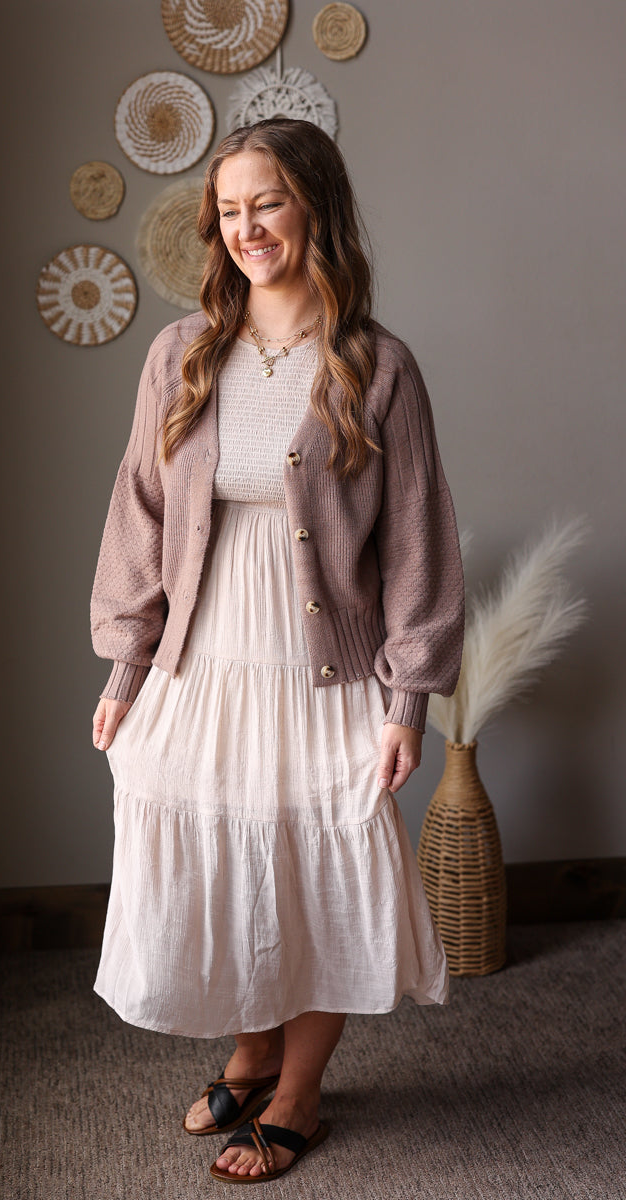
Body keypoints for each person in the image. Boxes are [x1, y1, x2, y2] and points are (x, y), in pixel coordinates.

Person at [89, 118, 464, 1184]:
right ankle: (250, 1050)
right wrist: (127, 671)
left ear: (315, 210)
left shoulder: (375, 365)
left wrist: (405, 705)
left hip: (324, 668)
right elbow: (140, 516)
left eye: (270, 203)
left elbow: (416, 539)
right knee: (224, 852)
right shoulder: (182, 352)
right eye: (231, 208)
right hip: (203, 661)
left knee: (307, 863)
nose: (247, 226)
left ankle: (297, 1089)